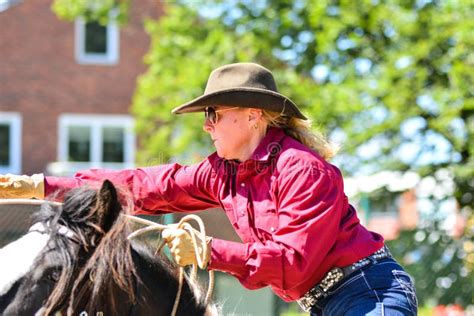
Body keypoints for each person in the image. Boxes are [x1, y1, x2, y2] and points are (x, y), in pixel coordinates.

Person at [0, 62, 418, 315]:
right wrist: (41, 186)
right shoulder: (222, 172)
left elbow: (293, 263)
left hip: (370, 294)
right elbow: (143, 186)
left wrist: (206, 252)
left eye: (214, 112)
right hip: (333, 301)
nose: (206, 124)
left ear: (254, 116)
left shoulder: (303, 170)